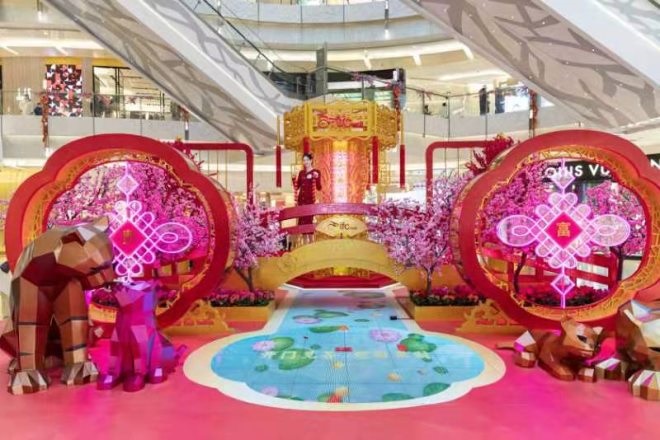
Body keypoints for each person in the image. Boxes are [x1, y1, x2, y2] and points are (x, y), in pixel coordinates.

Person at [292, 152, 322, 235]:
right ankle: (304, 242)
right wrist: (293, 178)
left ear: (311, 160)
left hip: (310, 201)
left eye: (307, 160)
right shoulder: (301, 173)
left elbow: (319, 188)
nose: (305, 162)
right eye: (304, 160)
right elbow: (297, 187)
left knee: (309, 222)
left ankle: (311, 242)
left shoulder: (316, 172)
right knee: (302, 223)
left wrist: (317, 177)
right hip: (301, 201)